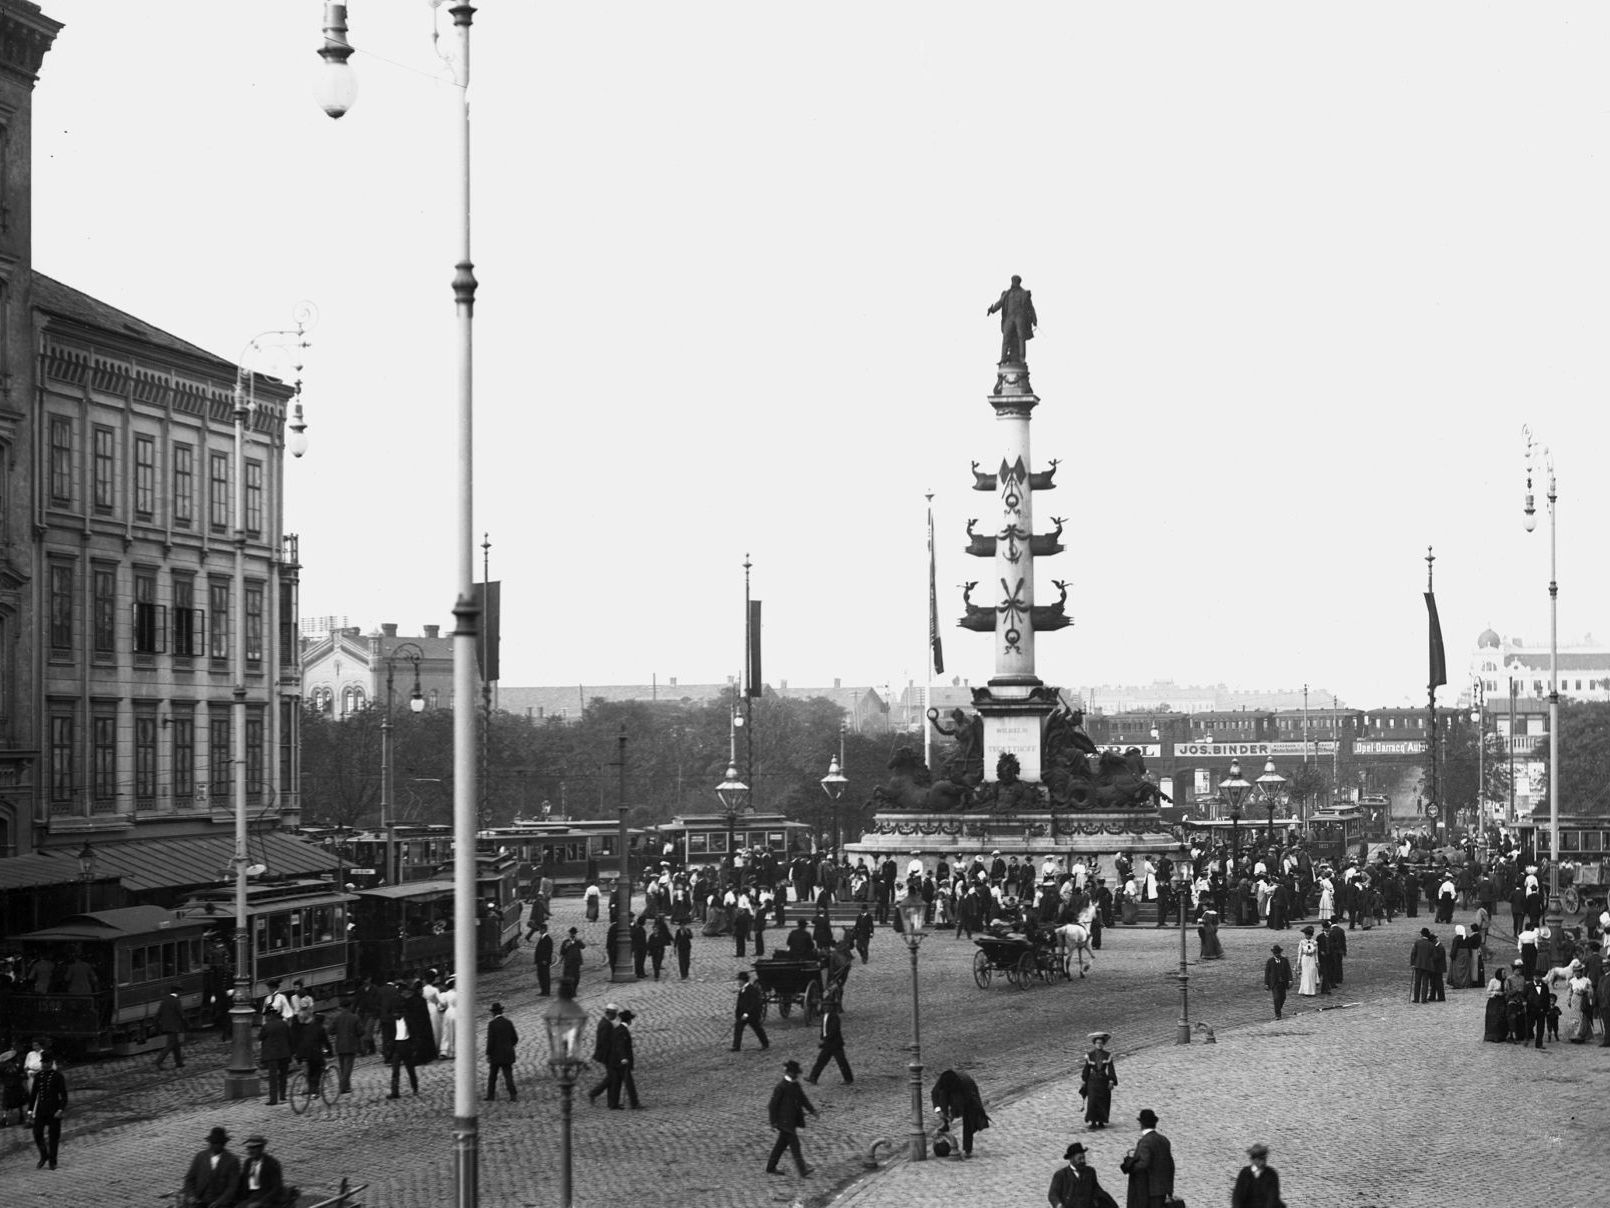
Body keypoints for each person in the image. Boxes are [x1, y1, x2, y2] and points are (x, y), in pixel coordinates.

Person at [764, 1059, 817, 1177]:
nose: (797, 1075)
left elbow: (803, 1099)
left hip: (791, 1121)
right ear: (789, 1073)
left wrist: (812, 1110)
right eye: (795, 1073)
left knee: (780, 1145)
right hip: (784, 1122)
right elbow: (772, 1105)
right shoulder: (781, 1087)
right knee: (795, 1146)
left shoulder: (795, 1085)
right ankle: (802, 1170)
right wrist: (773, 1122)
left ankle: (770, 1167)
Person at [1119, 1107, 1175, 1208]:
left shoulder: (1145, 1142)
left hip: (1148, 1191)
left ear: (1141, 1124)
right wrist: (1169, 1189)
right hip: (1162, 1190)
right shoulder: (1164, 1140)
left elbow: (1144, 1163)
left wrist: (1130, 1166)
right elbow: (1170, 1165)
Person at [930, 1068, 990, 1159]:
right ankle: (945, 1125)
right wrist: (939, 1111)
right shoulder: (943, 1081)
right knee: (942, 1098)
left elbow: (962, 1104)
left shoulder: (964, 1085)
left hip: (969, 1097)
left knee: (969, 1120)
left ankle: (967, 1150)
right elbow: (934, 1094)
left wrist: (952, 1115)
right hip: (951, 1089)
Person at [182, 1125, 242, 1208]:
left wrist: (219, 1202)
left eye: (218, 1143)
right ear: (209, 1142)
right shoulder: (200, 1156)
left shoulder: (232, 1160)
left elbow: (232, 1187)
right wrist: (191, 1196)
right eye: (213, 1142)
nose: (215, 1145)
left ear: (223, 1144)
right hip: (199, 1200)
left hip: (220, 1203)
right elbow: (189, 1179)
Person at [1048, 1141, 1119, 1208]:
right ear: (1071, 1159)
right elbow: (1052, 1195)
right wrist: (1059, 1205)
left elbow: (1096, 1189)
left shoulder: (1090, 1172)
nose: (1083, 1161)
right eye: (1079, 1158)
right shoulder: (1061, 1175)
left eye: (1084, 1157)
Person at [29, 1050, 67, 1170]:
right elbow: (34, 1095)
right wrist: (30, 1111)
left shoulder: (58, 1076)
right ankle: (44, 1154)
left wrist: (61, 1109)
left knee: (53, 1137)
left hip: (54, 1110)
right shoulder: (39, 1076)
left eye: (46, 1063)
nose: (44, 1065)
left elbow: (64, 1095)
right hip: (41, 1110)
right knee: (37, 1133)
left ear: (51, 1063)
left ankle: (52, 1160)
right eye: (42, 1063)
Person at [987, 274, 1038, 362]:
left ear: (1018, 282)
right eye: (1013, 281)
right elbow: (999, 303)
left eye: (1015, 281)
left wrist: (1034, 319)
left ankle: (1022, 358)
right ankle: (1003, 358)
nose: (1014, 283)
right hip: (1009, 318)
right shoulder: (1007, 293)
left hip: (1020, 318)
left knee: (1021, 337)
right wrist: (992, 310)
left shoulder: (1024, 293)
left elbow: (1030, 307)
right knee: (1006, 337)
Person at [807, 999, 852, 1084]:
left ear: (831, 1007)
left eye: (827, 1006)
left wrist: (825, 1040)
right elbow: (823, 1029)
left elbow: (833, 1031)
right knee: (821, 1061)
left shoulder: (834, 1017)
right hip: (828, 1043)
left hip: (835, 1044)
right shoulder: (825, 1016)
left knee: (841, 1062)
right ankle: (813, 1078)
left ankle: (848, 1079)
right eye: (824, 1006)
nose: (825, 1007)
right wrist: (822, 1038)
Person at [387, 986, 421, 1098]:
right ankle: (394, 1092)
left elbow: (415, 1033)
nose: (395, 1015)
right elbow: (390, 1035)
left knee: (410, 1069)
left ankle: (415, 1088)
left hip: (406, 1045)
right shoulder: (392, 1021)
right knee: (395, 1071)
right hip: (397, 1046)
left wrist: (414, 1047)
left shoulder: (408, 1019)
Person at [236, 1135, 286, 1208]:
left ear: (262, 1148)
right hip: (250, 1197)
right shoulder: (248, 1162)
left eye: (254, 1148)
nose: (251, 1151)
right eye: (249, 1148)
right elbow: (243, 1182)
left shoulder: (272, 1164)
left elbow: (277, 1188)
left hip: (267, 1200)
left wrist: (260, 1202)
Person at [1080, 1031, 1117, 1129]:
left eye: (1101, 1043)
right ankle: (1092, 1121)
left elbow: (1111, 1069)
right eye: (1097, 1043)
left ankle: (1101, 1121)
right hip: (1092, 1081)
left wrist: (1111, 1080)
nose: (1099, 1045)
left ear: (1103, 1044)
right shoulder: (1090, 1055)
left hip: (1103, 1081)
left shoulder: (1107, 1055)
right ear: (1094, 1044)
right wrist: (1084, 1079)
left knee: (1103, 1101)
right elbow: (1087, 1068)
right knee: (1092, 1101)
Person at [1230, 1141, 1282, 1208]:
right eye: (1260, 1158)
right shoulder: (1244, 1173)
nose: (1263, 1161)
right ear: (1252, 1160)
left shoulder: (1271, 1174)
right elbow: (1237, 1196)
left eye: (1264, 1158)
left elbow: (1272, 1198)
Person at [586, 1003, 619, 1105]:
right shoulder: (606, 1025)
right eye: (614, 1014)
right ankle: (594, 1093)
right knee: (612, 1077)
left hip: (606, 1055)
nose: (615, 1016)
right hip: (607, 1056)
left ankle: (610, 1100)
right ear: (610, 1014)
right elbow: (605, 1043)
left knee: (611, 1076)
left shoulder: (604, 1022)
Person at [606, 1008, 640, 1109]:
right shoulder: (623, 1031)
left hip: (614, 1061)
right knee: (629, 1083)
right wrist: (624, 1058)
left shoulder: (617, 1029)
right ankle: (634, 1103)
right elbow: (620, 1046)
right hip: (621, 1062)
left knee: (616, 1082)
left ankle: (613, 1104)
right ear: (629, 1021)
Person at [484, 1001, 518, 1101]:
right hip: (507, 1053)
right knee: (508, 1075)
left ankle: (491, 1095)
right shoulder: (508, 1022)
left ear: (493, 1013)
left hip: (495, 1054)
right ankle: (513, 1095)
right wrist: (510, 1046)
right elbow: (515, 1038)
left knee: (492, 1076)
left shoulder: (492, 1024)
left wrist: (488, 1053)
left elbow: (490, 1041)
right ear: (501, 1012)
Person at [328, 998, 362, 1094]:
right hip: (351, 1045)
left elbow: (330, 1030)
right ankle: (343, 1086)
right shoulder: (355, 1017)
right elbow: (360, 1031)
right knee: (348, 1068)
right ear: (350, 1006)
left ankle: (347, 1086)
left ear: (341, 1007)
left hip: (340, 1045)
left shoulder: (337, 1018)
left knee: (343, 1067)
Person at [259, 1008, 292, 1106]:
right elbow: (290, 1038)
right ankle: (282, 1095)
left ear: (269, 1015)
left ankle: (273, 1099)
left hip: (272, 1055)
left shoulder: (266, 1026)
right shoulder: (284, 1024)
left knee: (273, 1078)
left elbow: (260, 1037)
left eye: (266, 1016)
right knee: (283, 1076)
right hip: (284, 1054)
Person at [733, 971, 770, 1051]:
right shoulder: (742, 990)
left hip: (752, 1015)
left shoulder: (751, 989)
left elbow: (753, 1004)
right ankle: (736, 1046)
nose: (738, 982)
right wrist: (738, 1014)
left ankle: (765, 1043)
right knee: (738, 1028)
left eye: (739, 980)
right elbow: (739, 1003)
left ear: (743, 981)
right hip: (743, 1014)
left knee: (757, 1029)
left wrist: (746, 1014)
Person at [155, 983, 188, 1069]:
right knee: (171, 1044)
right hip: (174, 1026)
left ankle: (179, 1062)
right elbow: (181, 1014)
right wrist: (186, 1024)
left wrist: (157, 1024)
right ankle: (159, 1061)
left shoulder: (165, 999)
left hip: (166, 1026)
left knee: (176, 1045)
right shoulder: (177, 1001)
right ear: (178, 992)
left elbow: (158, 1014)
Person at [1265, 944, 1292, 1020]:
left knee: (1283, 997)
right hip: (1274, 983)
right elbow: (1267, 973)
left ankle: (1278, 1009)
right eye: (1275, 953)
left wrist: (1290, 980)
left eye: (1278, 953)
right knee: (1276, 998)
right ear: (1273, 953)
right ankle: (1278, 1014)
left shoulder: (1285, 960)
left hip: (1283, 983)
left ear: (1280, 952)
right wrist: (1266, 983)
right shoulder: (1270, 961)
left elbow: (1288, 970)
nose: (1277, 954)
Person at [559, 928, 586, 996]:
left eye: (574, 934)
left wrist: (579, 941)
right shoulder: (566, 941)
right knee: (568, 977)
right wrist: (566, 946)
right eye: (571, 933)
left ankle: (574, 990)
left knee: (576, 977)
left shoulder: (577, 941)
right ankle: (568, 991)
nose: (572, 935)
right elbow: (562, 952)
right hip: (568, 962)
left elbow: (583, 946)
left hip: (576, 962)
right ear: (570, 934)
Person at [1296, 927, 1320, 997]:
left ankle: (1312, 991)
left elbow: (1316, 953)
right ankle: (1306, 990)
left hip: (1312, 959)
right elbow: (1299, 953)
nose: (1308, 936)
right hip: (1305, 959)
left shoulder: (1315, 943)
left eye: (1309, 935)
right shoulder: (1302, 942)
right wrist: (1298, 962)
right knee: (1306, 975)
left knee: (1312, 973)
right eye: (1307, 935)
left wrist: (1317, 961)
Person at [533, 922, 554, 996]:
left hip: (544, 961)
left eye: (540, 929)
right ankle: (543, 991)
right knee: (540, 976)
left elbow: (549, 951)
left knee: (545, 976)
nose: (539, 931)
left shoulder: (548, 939)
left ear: (544, 930)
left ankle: (546, 991)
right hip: (539, 961)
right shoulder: (542, 938)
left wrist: (545, 960)